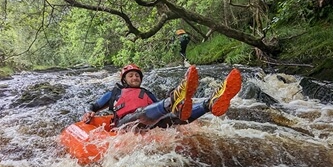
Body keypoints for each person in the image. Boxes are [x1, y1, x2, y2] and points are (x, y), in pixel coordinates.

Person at [82, 63, 242, 129]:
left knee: (173, 116)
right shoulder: (114, 93)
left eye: (137, 76)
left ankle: (209, 104)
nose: (135, 78)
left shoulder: (146, 93)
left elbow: (159, 112)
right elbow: (94, 105)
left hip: (148, 124)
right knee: (145, 112)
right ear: (124, 79)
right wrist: (90, 111)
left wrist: (175, 113)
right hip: (125, 124)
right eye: (131, 76)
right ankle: (174, 99)